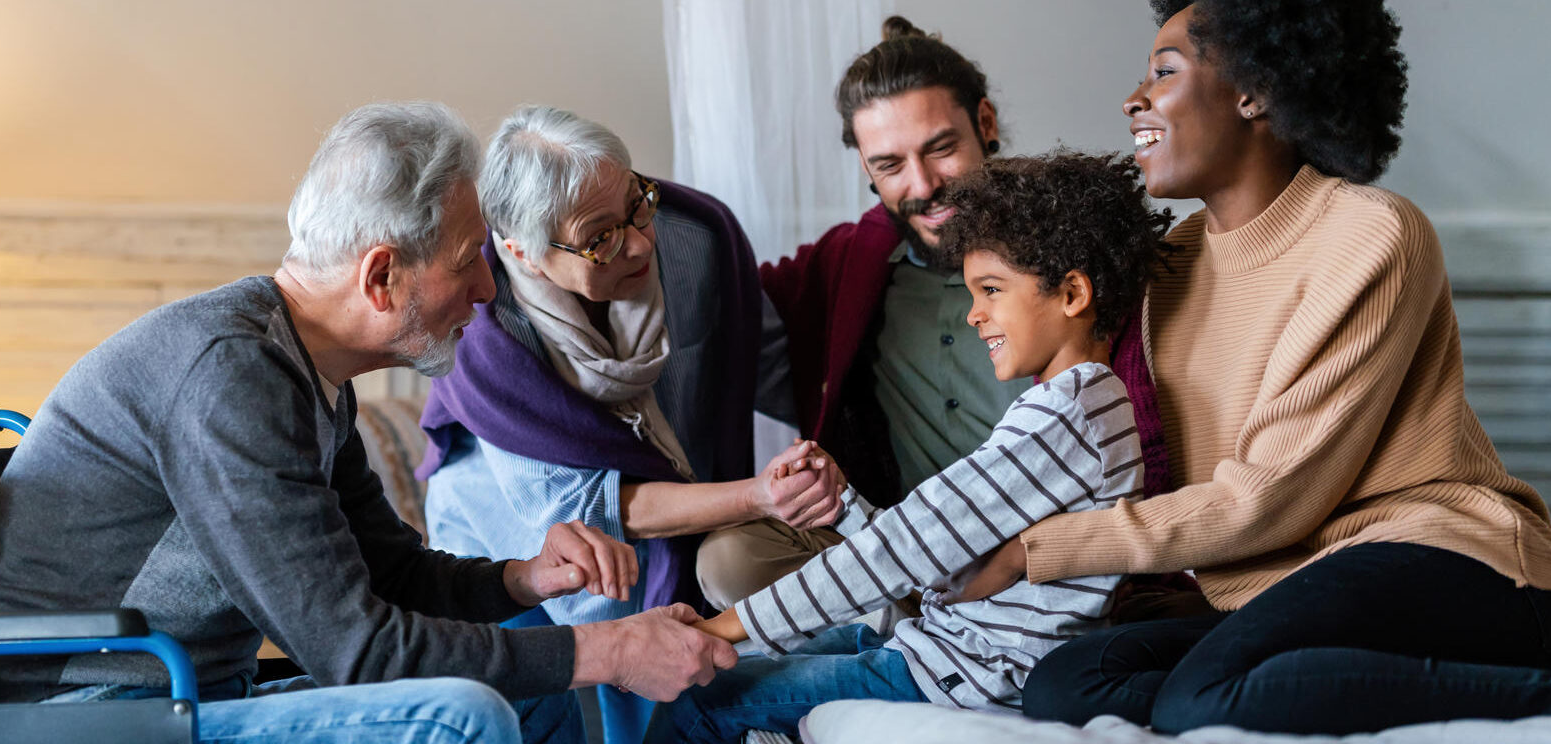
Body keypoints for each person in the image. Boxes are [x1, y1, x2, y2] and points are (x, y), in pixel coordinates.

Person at [0, 101, 738, 744]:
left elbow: (391, 578)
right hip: (76, 715)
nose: (488, 293)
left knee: (529, 695)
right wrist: (606, 650)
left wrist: (522, 577)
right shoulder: (230, 376)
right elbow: (356, 652)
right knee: (462, 717)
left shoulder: (305, 374)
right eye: (468, 263)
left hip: (182, 692)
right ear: (383, 275)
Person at [942, 0, 1551, 733]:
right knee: (1068, 683)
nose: (1132, 99)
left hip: (1458, 563)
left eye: (1163, 72)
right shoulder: (1166, 268)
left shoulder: (1372, 232)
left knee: (1200, 696)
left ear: (1255, 91)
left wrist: (1030, 553)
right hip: (1293, 580)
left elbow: (1267, 500)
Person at [653, 151, 1179, 743]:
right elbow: (938, 553)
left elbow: (904, 548)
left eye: (991, 290)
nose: (974, 314)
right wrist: (844, 502)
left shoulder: (1068, 414)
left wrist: (718, 627)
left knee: (696, 705)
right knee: (747, 668)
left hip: (966, 675)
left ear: (1072, 293)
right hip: (939, 646)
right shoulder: (1078, 405)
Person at [703, 15, 1182, 612]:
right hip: (912, 559)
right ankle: (912, 631)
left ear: (984, 123)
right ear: (865, 169)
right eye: (890, 164)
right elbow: (711, 287)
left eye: (941, 148)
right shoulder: (849, 263)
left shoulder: (1068, 244)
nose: (925, 185)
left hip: (1062, 563)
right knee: (730, 558)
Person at [416, 105, 845, 744]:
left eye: (638, 204)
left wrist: (828, 465)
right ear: (522, 253)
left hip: (664, 503)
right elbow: (588, 507)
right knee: (588, 620)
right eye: (600, 238)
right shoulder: (482, 328)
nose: (641, 242)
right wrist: (759, 495)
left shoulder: (697, 236)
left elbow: (772, 366)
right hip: (504, 519)